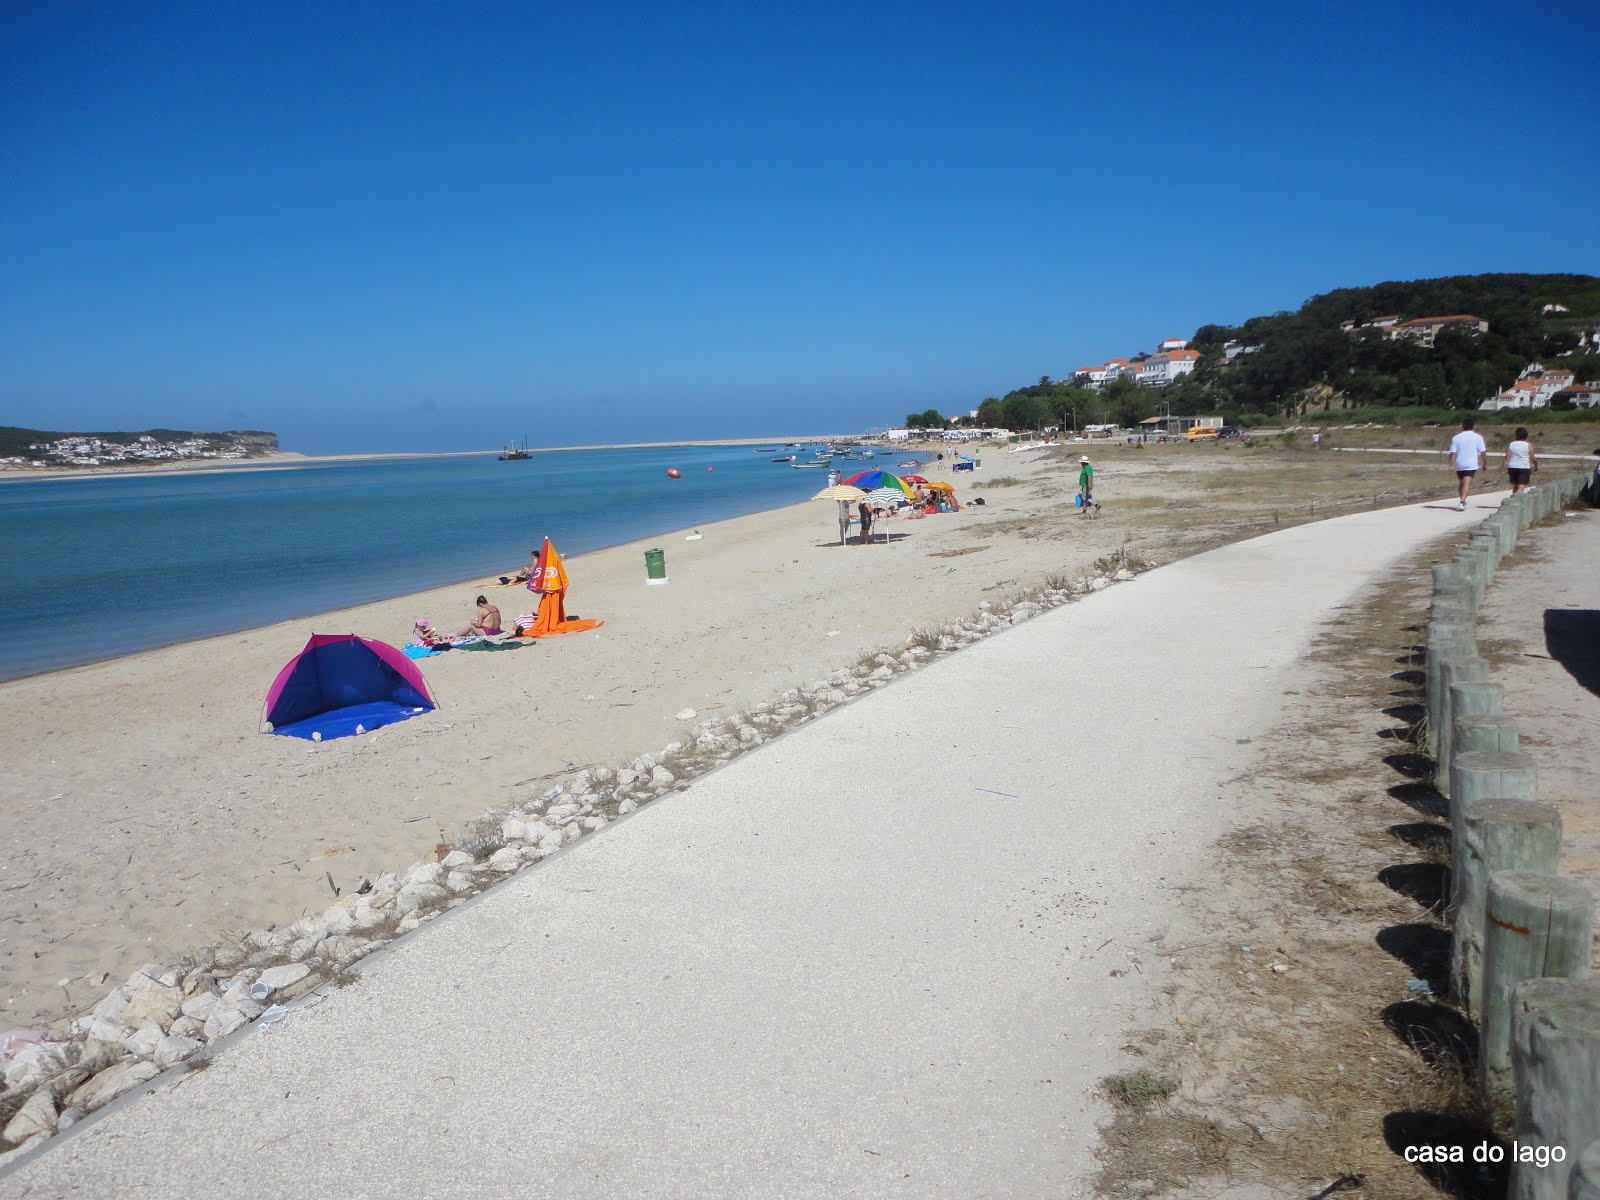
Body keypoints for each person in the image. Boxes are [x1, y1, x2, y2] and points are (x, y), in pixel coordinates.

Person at [1446, 417, 1487, 511]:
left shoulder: (1456, 437)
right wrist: (1485, 463)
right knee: (1466, 484)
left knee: (1461, 483)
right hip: (1471, 464)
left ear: (1462, 426)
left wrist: (1451, 465)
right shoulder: (1477, 437)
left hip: (1459, 464)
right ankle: (1462, 502)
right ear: (1473, 426)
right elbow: (1483, 452)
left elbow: (1453, 453)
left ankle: (1462, 501)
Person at [1504, 427, 1537, 494]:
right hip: (1523, 466)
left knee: (1515, 485)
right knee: (1521, 486)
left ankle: (1513, 499)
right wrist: (1536, 465)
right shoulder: (1528, 445)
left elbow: (1507, 457)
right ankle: (1518, 498)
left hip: (1512, 466)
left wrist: (1505, 467)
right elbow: (1533, 458)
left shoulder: (1511, 444)